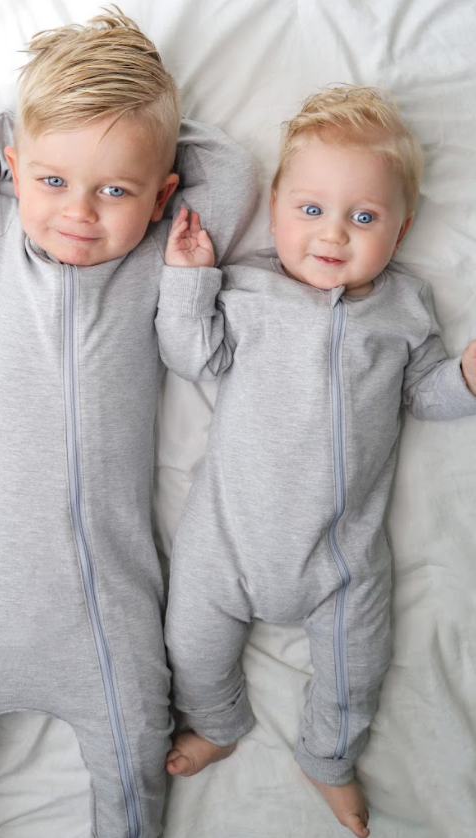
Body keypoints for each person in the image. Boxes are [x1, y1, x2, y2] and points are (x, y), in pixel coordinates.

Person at [0, 8, 256, 838]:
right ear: (14, 167)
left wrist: (144, 135)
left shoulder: (158, 255)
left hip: (103, 607)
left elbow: (228, 172)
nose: (80, 214)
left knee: (133, 767)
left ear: (162, 193)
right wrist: (49, 119)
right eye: (52, 181)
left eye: (114, 190)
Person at [155, 85, 476, 838]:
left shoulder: (401, 309)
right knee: (189, 646)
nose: (333, 234)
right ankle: (218, 722)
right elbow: (190, 354)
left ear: (398, 230)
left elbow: (422, 395)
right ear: (273, 208)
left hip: (342, 559)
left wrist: (462, 376)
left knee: (356, 667)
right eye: (310, 209)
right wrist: (189, 280)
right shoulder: (251, 289)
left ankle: (328, 759)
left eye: (363, 218)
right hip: (225, 542)